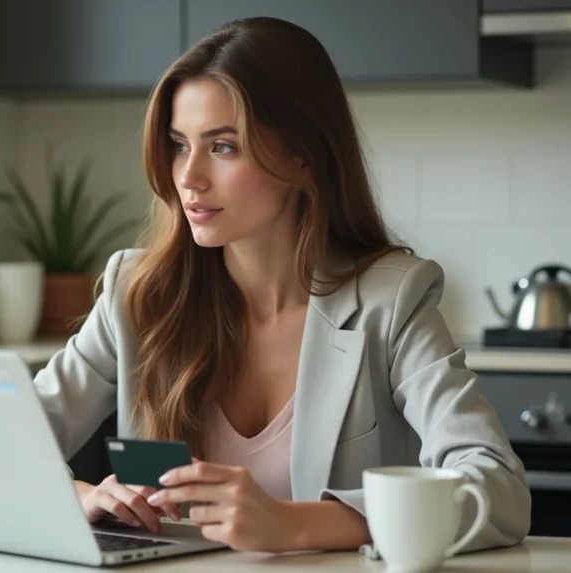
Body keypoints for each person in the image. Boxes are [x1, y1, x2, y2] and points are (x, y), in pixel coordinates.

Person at [31, 16, 531, 555]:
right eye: (179, 145)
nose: (188, 177)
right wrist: (74, 495)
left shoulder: (391, 303)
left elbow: (499, 489)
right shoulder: (139, 294)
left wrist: (295, 524)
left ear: (304, 157)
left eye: (223, 147)